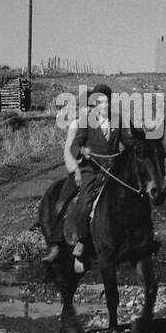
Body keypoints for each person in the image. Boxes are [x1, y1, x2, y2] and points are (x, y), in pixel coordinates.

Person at [42, 83, 127, 266]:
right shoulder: (78, 124)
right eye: (89, 105)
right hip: (80, 170)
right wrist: (76, 170)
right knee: (61, 203)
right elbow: (69, 150)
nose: (91, 109)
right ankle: (56, 242)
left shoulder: (109, 122)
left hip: (104, 169)